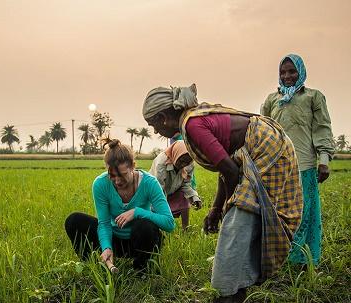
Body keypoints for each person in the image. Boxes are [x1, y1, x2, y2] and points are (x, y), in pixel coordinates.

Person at [142, 84, 303, 303]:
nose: (155, 132)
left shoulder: (193, 126)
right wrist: (216, 208)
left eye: (153, 125)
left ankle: (231, 289)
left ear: (162, 117)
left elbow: (230, 171)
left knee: (240, 215)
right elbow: (225, 167)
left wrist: (225, 208)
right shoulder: (191, 121)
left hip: (266, 146)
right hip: (260, 146)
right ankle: (237, 284)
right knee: (240, 214)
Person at [261, 54, 335, 266]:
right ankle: (278, 259)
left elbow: (322, 129)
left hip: (304, 165)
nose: (287, 76)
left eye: (292, 71)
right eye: (283, 72)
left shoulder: (313, 97)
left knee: (304, 213)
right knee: (278, 214)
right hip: (277, 167)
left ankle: (301, 260)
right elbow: (263, 131)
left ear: (301, 72)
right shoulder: (271, 100)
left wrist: (324, 160)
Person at [65, 139, 175, 272]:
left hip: (140, 240)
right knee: (74, 220)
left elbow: (169, 223)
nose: (117, 181)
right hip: (115, 239)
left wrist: (137, 212)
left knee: (145, 225)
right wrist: (106, 246)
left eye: (122, 175)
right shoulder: (100, 184)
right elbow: (104, 223)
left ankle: (141, 269)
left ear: (133, 166)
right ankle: (96, 264)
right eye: (112, 175)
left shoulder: (149, 183)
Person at [149, 140, 202, 230]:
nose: (183, 165)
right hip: (155, 192)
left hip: (172, 190)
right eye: (181, 161)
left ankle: (185, 228)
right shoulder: (161, 163)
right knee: (155, 215)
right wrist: (165, 213)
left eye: (187, 162)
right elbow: (159, 189)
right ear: (176, 154)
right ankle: (158, 228)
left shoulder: (189, 165)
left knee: (183, 196)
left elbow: (186, 184)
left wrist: (194, 197)